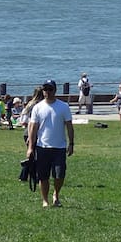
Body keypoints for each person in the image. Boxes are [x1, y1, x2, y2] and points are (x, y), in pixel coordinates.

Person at [27, 80, 75, 208]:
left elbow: (69, 126)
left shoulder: (63, 106)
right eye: (45, 89)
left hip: (59, 147)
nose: (47, 92)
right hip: (42, 147)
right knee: (43, 176)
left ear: (55, 90)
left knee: (59, 175)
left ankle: (56, 194)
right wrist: (30, 147)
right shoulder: (38, 107)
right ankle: (45, 200)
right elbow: (33, 128)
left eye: (50, 89)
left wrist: (71, 143)